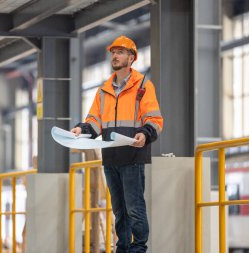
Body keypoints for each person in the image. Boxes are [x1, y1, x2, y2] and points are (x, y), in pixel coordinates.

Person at [71, 35, 163, 253]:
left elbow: (154, 119)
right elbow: (94, 120)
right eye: (113, 52)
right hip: (111, 159)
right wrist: (81, 129)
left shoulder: (143, 86)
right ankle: (122, 248)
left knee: (134, 209)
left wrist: (145, 133)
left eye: (120, 52)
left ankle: (139, 248)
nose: (115, 55)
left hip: (132, 157)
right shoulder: (103, 91)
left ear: (131, 58)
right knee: (119, 211)